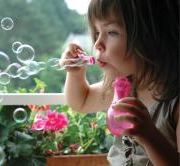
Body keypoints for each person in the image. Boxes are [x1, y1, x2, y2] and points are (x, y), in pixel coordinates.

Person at [60, 0, 179, 165]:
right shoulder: (123, 86)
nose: (97, 44)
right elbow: (82, 101)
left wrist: (150, 136)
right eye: (96, 32)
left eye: (111, 32)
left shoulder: (175, 102)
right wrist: (76, 74)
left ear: (151, 37)